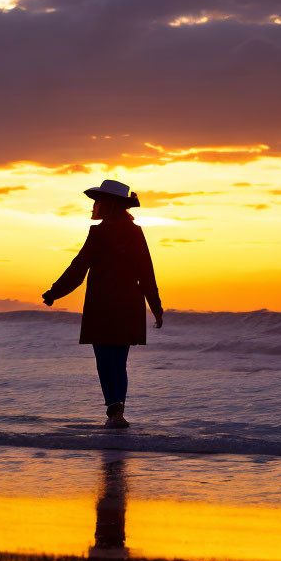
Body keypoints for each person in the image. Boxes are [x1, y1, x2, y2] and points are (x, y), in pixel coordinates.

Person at [41, 180, 163, 429]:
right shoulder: (135, 232)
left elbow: (79, 267)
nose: (94, 206)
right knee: (119, 362)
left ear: (109, 205)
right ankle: (118, 413)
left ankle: (114, 412)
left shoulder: (99, 233)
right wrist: (156, 308)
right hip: (129, 306)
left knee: (105, 362)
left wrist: (55, 292)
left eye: (98, 201)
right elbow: (147, 273)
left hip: (102, 306)